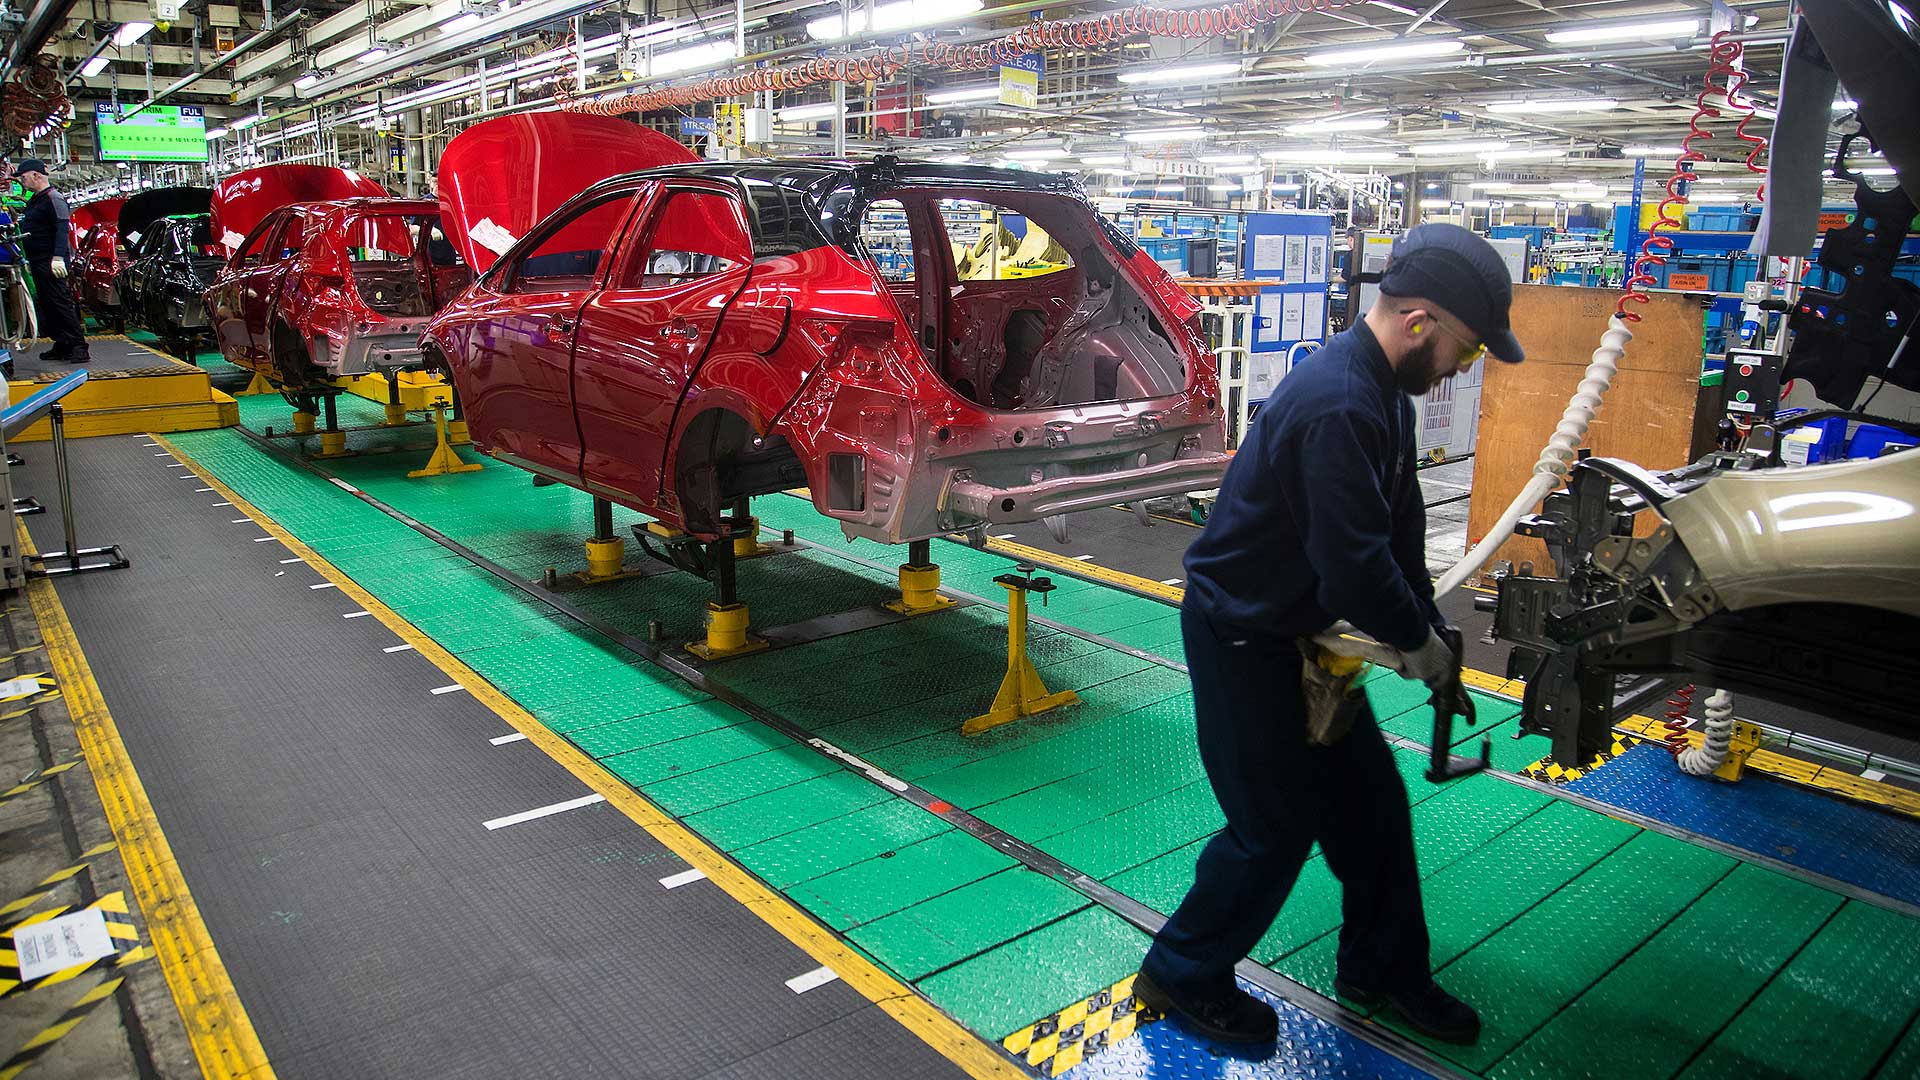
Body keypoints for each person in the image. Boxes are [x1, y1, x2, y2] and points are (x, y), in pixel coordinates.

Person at [1134, 223, 1525, 1047]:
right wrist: (1415, 647)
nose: (1464, 366)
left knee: (1372, 810)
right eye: (1468, 348)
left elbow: (1397, 529)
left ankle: (1382, 968)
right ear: (1420, 321)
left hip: (1302, 641)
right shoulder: (1340, 400)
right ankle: (1181, 972)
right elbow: (1351, 569)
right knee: (1271, 827)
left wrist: (1433, 627)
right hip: (1242, 640)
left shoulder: (1383, 391)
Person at [14, 159, 88, 365]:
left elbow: (62, 229)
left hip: (51, 261)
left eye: (23, 176)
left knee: (60, 302)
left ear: (36, 175)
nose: (21, 180)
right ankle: (62, 343)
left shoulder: (53, 198)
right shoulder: (35, 200)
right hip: (38, 260)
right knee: (48, 304)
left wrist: (57, 258)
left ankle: (79, 346)